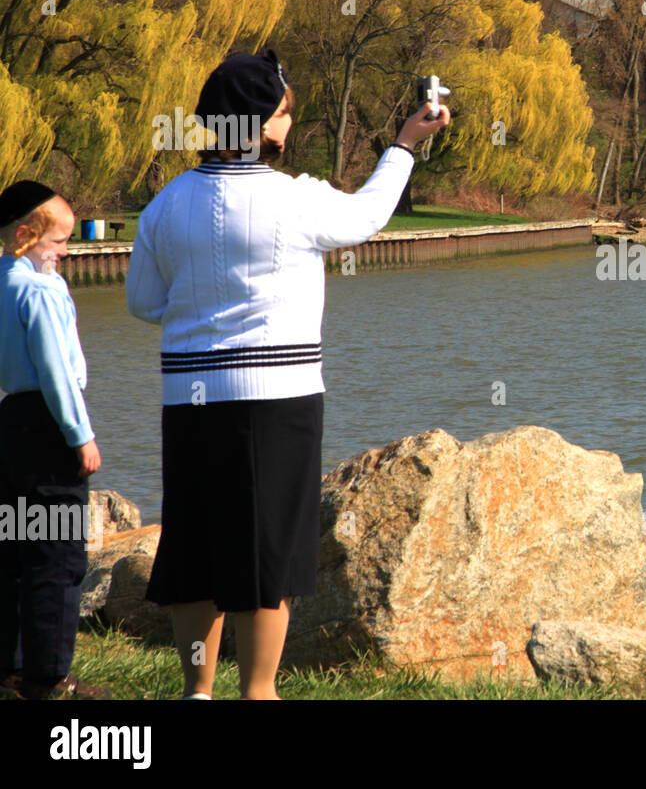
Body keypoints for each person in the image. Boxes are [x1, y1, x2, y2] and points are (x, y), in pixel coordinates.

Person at [125, 50, 449, 699]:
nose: (288, 126)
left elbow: (142, 302)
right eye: (283, 114)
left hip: (189, 400)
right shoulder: (296, 200)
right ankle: (260, 691)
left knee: (195, 546)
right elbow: (367, 217)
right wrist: (407, 143)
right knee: (267, 547)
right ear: (260, 125)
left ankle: (197, 691)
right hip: (279, 401)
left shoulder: (165, 205)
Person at [0, 181, 108, 699]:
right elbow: (56, 371)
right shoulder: (40, 290)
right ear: (26, 235)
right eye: (60, 242)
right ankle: (48, 679)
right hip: (47, 425)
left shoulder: (2, 281)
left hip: (11, 422)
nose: (67, 252)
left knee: (15, 547)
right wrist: (80, 435)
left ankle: (10, 664)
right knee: (57, 554)